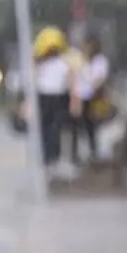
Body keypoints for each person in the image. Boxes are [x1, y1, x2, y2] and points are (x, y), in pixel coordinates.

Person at [32, 26, 77, 174]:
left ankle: (51, 159)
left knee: (53, 129)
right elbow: (34, 79)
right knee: (48, 129)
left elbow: (70, 82)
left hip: (55, 97)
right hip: (47, 97)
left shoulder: (62, 63)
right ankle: (48, 159)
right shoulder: (45, 64)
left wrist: (73, 99)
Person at [71, 35, 111, 164]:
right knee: (76, 127)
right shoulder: (78, 59)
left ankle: (94, 152)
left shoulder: (100, 61)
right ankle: (74, 154)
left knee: (91, 125)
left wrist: (93, 89)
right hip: (79, 96)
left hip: (93, 96)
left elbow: (100, 79)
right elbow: (73, 76)